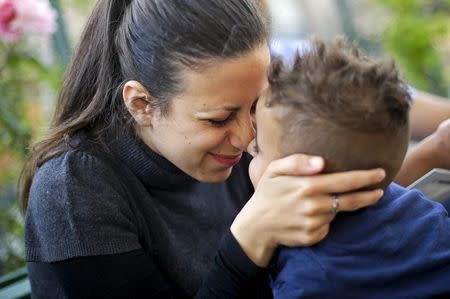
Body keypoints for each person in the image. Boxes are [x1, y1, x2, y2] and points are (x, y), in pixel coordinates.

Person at [19, 1, 386, 298]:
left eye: (256, 105)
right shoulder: (73, 191)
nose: (246, 139)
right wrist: (248, 242)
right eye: (218, 119)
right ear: (142, 104)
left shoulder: (239, 149)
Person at [247, 37, 450, 298]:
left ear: (306, 175)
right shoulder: (429, 213)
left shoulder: (308, 277)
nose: (248, 146)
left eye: (258, 149)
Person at [254, 0, 450, 187]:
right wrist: (427, 157)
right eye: (223, 118)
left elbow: (437, 122)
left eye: (257, 149)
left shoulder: (300, 58)